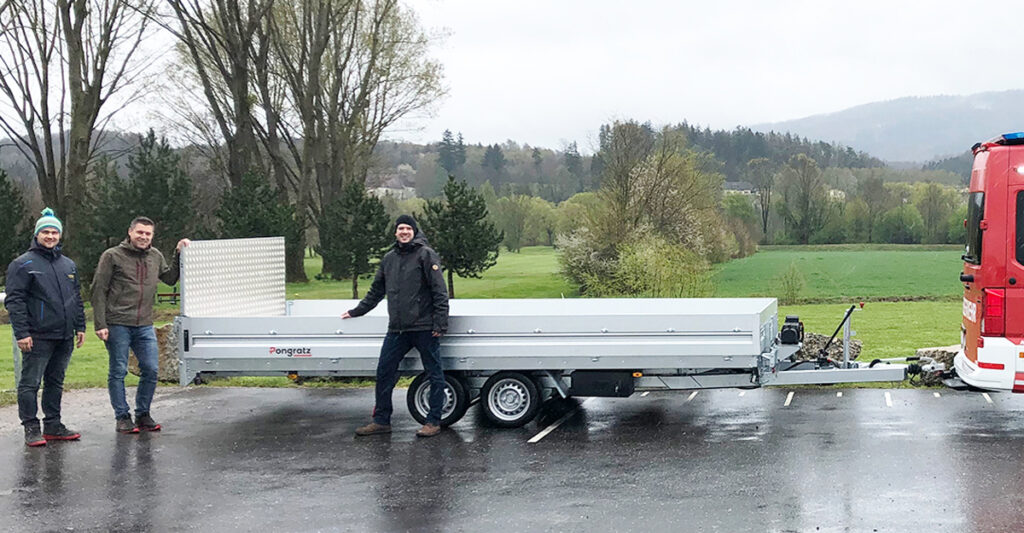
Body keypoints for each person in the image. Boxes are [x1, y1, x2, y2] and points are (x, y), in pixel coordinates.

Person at [343, 214, 449, 438]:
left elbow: (440, 292)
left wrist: (440, 323)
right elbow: (376, 291)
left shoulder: (426, 254)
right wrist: (356, 311)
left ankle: (433, 421)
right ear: (395, 232)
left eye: (408, 229)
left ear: (414, 231)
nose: (404, 232)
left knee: (434, 374)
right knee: (384, 372)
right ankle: (381, 421)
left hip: (424, 327)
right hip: (397, 329)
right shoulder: (389, 259)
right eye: (400, 228)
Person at [92, 216, 189, 434]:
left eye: (148, 234)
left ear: (152, 236)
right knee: (118, 370)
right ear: (130, 232)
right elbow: (98, 289)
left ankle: (142, 414)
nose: (144, 237)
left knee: (151, 369)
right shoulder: (112, 256)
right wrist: (100, 323)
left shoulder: (155, 256)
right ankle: (122, 417)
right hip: (117, 323)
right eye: (140, 233)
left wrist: (179, 253)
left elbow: (171, 278)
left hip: (144, 324)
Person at [5, 208, 86, 447]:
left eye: (54, 232)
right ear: (37, 234)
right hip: (37, 336)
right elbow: (15, 301)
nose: (50, 236)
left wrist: (80, 326)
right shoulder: (23, 264)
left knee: (55, 382)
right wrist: (22, 332)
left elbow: (76, 298)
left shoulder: (68, 265)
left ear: (60, 235)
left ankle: (53, 425)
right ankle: (31, 427)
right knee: (30, 383)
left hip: (64, 335)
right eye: (45, 232)